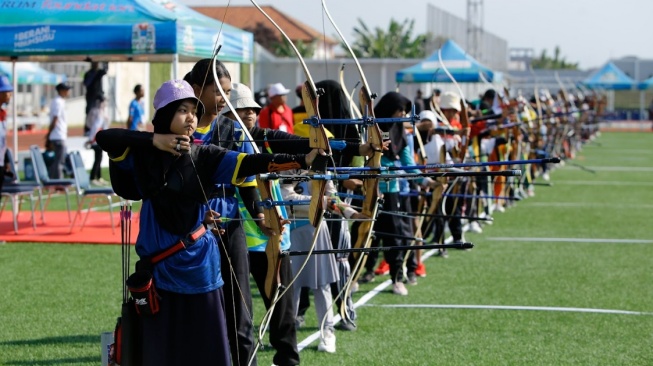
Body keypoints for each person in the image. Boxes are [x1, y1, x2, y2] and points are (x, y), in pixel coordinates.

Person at [95, 79, 319, 366]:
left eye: (193, 111)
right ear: (164, 115)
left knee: (205, 350)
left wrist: (303, 159)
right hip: (160, 273)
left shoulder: (204, 156)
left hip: (200, 271)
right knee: (162, 352)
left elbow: (254, 162)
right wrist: (155, 140)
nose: (191, 117)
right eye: (182, 111)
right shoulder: (142, 156)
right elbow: (105, 137)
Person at [183, 59, 259, 366]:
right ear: (198, 89)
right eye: (219, 92)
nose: (225, 100)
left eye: (228, 93)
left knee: (240, 315)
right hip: (191, 233)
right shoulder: (179, 128)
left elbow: (248, 182)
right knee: (198, 314)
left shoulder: (232, 130)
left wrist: (263, 218)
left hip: (230, 228)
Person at [46, 83, 71, 179]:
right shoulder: (58, 102)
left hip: (58, 134)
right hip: (58, 135)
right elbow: (55, 118)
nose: (68, 92)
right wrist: (49, 134)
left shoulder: (58, 101)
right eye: (67, 89)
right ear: (61, 90)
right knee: (60, 161)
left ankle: (53, 179)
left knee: (58, 160)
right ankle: (58, 181)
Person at [85, 95, 109, 185]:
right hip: (96, 139)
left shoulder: (96, 111)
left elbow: (89, 124)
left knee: (99, 158)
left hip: (96, 138)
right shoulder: (98, 112)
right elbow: (95, 127)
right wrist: (91, 139)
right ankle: (93, 177)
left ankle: (98, 176)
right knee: (98, 158)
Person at [83, 61, 107, 135]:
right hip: (91, 96)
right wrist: (93, 74)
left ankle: (102, 128)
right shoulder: (88, 73)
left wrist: (106, 61)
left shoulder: (99, 72)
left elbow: (105, 71)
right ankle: (88, 129)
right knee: (89, 112)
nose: (96, 65)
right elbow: (86, 83)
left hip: (99, 96)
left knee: (101, 112)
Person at [0, 74, 14, 198]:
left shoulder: (3, 114)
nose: (9, 94)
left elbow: (2, 141)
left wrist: (6, 160)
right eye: (6, 92)